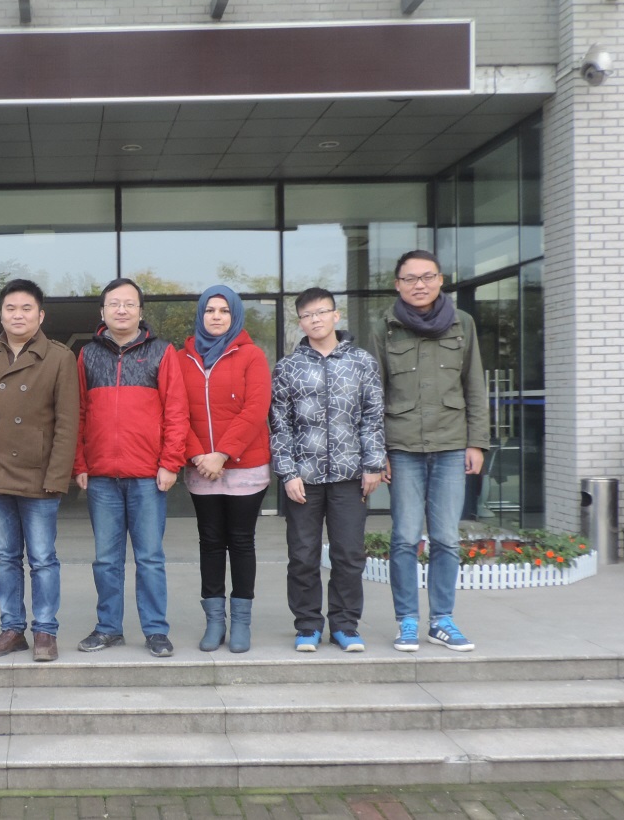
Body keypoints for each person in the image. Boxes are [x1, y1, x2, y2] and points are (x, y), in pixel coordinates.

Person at [369, 251, 487, 653]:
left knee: (446, 538)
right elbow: (374, 395)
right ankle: (406, 620)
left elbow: (474, 385)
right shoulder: (385, 328)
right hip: (402, 447)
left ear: (440, 280)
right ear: (398, 285)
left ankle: (442, 620)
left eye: (427, 276)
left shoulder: (462, 323)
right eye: (410, 278)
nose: (419, 284)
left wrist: (477, 442)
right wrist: (378, 452)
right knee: (404, 537)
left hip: (452, 445)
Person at [74, 278, 189, 658]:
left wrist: (170, 463)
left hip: (148, 476)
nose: (121, 310)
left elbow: (176, 411)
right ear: (102, 312)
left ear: (141, 311)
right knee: (106, 560)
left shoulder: (161, 352)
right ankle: (108, 628)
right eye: (114, 304)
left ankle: (155, 630)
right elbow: (78, 412)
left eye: (129, 304)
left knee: (150, 559)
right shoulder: (88, 355)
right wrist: (80, 463)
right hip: (102, 476)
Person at [271, 288, 385, 654]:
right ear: (300, 322)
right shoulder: (288, 367)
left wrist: (373, 465)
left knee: (348, 554)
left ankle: (344, 625)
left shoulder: (361, 362)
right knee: (302, 555)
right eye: (307, 315)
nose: (315, 319)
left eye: (321, 312)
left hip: (351, 476)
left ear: (336, 315)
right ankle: (307, 625)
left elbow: (372, 417)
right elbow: (280, 425)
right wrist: (288, 473)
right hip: (304, 478)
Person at [0, 279, 80, 663]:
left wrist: (57, 477)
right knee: (5, 557)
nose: (18, 315)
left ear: (41, 315)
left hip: (39, 475)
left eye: (26, 309)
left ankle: (45, 631)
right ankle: (12, 629)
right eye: (10, 308)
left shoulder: (59, 357)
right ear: (1, 314)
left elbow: (67, 423)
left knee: (42, 558)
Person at [178, 285, 271, 654]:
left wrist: (223, 454)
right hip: (201, 467)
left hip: (245, 466)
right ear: (200, 315)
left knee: (242, 541)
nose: (216, 317)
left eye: (224, 311)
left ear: (235, 316)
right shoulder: (182, 358)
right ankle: (215, 621)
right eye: (209, 310)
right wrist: (199, 455)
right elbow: (176, 411)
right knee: (211, 543)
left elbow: (256, 408)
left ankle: (242, 622)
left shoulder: (251, 355)